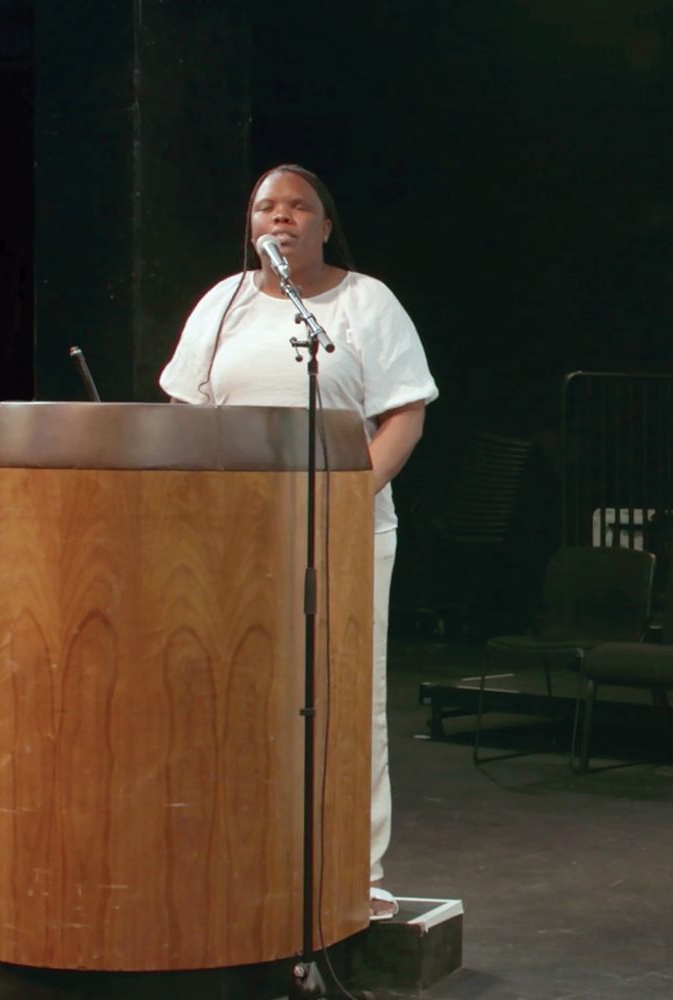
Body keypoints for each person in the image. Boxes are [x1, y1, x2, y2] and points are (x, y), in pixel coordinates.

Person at [159, 164, 438, 919]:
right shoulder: (222, 303)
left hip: (343, 530)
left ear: (323, 225)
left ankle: (356, 869)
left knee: (345, 696)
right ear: (251, 226)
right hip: (234, 539)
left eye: (297, 208)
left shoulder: (363, 302)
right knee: (237, 690)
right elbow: (186, 410)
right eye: (265, 207)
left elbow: (403, 414)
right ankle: (243, 852)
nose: (279, 218)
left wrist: (348, 498)